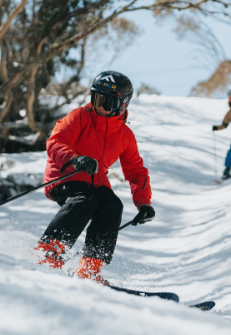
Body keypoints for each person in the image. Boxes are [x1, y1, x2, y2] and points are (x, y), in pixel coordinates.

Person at [34, 70, 155, 284]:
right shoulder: (79, 116)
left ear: (123, 104)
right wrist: (75, 159)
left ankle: (90, 268)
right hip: (65, 176)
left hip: (94, 181)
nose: (99, 106)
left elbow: (136, 171)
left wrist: (143, 203)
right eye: (96, 99)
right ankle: (49, 252)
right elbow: (55, 141)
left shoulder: (124, 135)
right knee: (85, 200)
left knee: (112, 205)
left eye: (107, 102)